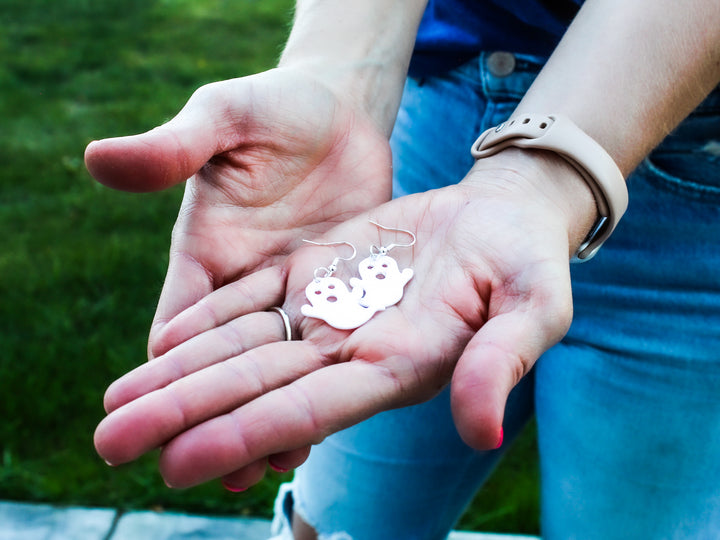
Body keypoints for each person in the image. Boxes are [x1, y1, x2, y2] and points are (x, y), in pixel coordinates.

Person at [87, 0, 720, 538]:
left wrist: (543, 184)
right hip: (443, 106)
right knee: (337, 521)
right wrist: (338, 77)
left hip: (698, 188)